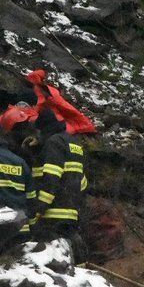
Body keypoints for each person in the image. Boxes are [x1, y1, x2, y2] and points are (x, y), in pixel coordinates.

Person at [31, 108, 88, 258]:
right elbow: (82, 182)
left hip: (53, 212)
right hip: (72, 210)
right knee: (73, 249)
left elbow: (52, 178)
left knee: (50, 254)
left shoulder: (53, 143)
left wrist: (39, 209)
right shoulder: (74, 144)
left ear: (43, 129)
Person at [24, 69, 97, 136]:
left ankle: (86, 127)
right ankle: (86, 127)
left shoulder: (43, 91)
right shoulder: (46, 91)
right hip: (54, 117)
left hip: (53, 115)